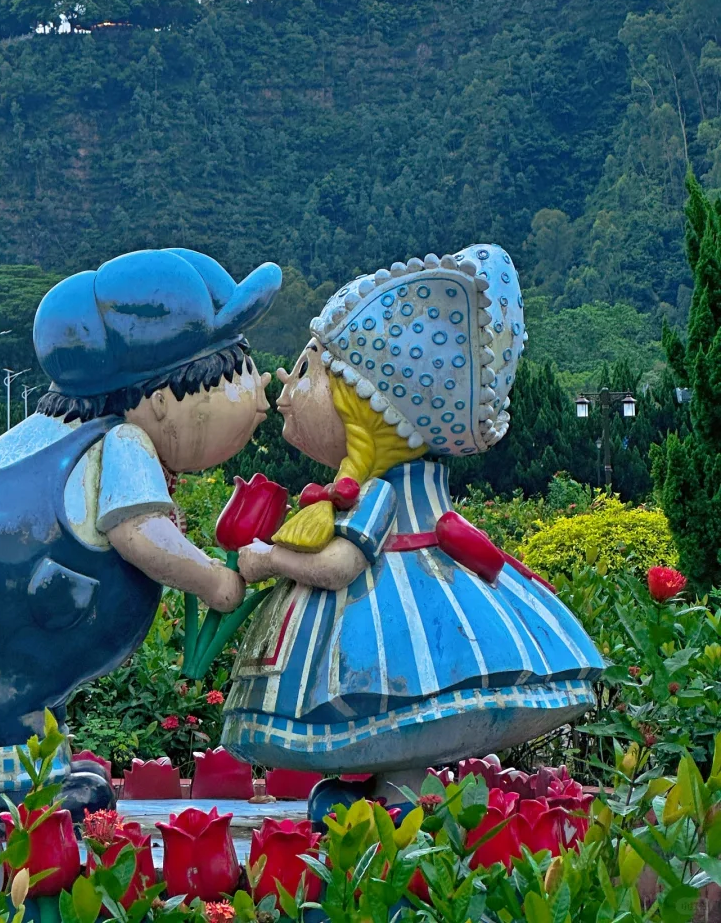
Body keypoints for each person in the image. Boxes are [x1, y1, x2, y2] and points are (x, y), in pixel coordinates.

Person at [0, 247, 280, 818]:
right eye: (236, 374)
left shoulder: (43, 433)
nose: (258, 397)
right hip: (2, 612)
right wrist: (214, 582)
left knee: (3, 698)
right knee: (5, 688)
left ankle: (23, 767)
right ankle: (8, 794)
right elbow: (139, 534)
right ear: (165, 395)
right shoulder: (121, 443)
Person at [220, 245, 604, 807]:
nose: (284, 395)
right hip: (423, 587)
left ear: (360, 405)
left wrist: (267, 559)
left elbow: (341, 566)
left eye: (305, 372)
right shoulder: (367, 491)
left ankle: (397, 803)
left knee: (398, 695)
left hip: (393, 613)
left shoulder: (374, 495)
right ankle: (388, 796)